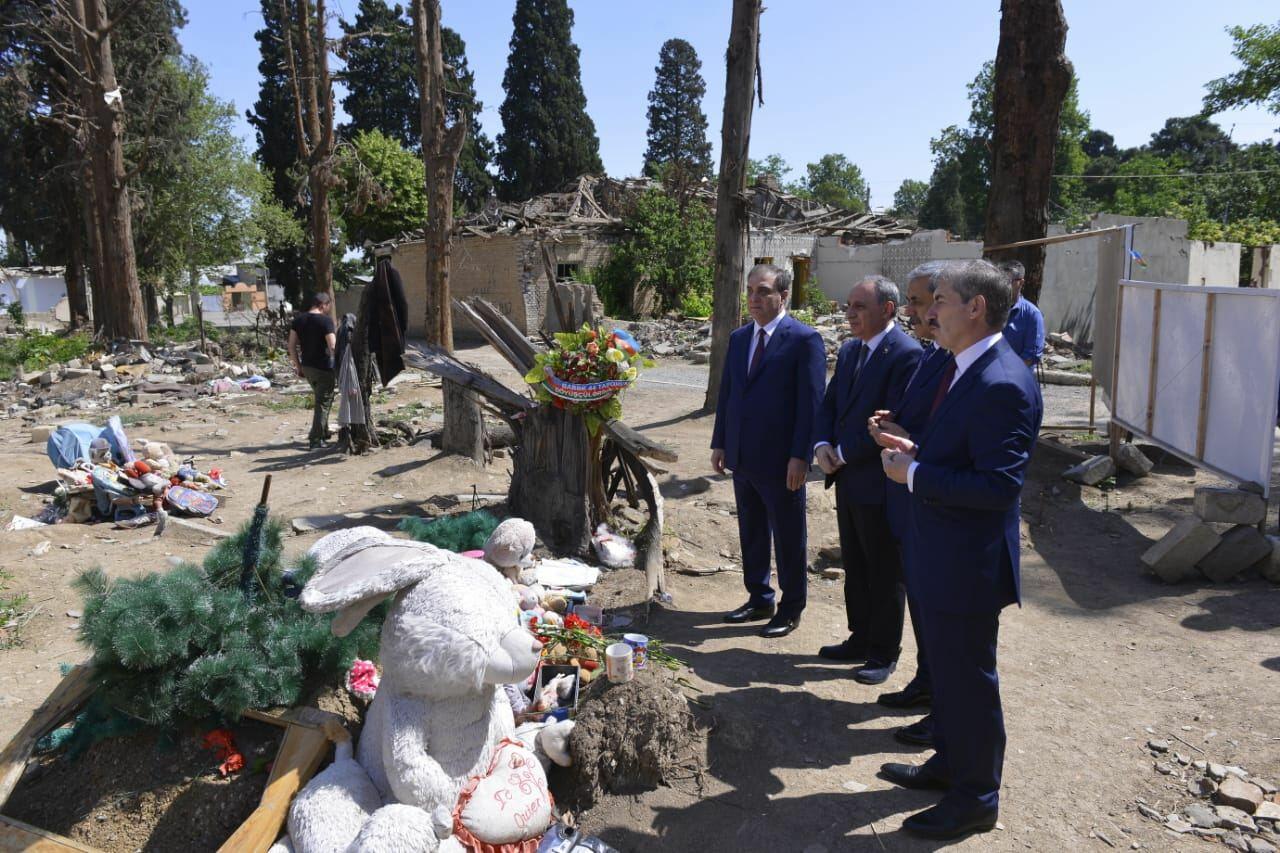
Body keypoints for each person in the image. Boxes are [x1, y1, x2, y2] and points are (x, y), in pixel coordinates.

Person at [877, 259, 1043, 840]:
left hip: (966, 567)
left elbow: (999, 487)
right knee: (948, 678)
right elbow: (964, 454)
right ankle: (951, 765)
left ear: (976, 308)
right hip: (941, 554)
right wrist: (914, 447)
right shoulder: (965, 367)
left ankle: (976, 798)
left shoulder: (1002, 382)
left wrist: (914, 473)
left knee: (970, 684)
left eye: (940, 300)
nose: (928, 312)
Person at [812, 276, 921, 684]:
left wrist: (840, 453)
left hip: (878, 480)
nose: (850, 313)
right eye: (849, 305)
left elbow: (890, 421)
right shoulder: (852, 349)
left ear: (888, 310)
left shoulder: (905, 354)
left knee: (884, 568)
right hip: (846, 478)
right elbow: (831, 403)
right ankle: (859, 636)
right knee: (856, 564)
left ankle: (883, 651)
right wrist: (822, 443)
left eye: (860, 306)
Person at [711, 264, 826, 639]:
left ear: (783, 296)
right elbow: (728, 394)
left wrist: (801, 456)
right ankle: (760, 597)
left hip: (782, 462)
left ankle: (791, 607)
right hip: (743, 456)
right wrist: (721, 442)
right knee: (752, 531)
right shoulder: (741, 338)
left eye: (763, 291)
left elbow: (811, 404)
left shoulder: (804, 340)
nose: (754, 299)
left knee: (789, 535)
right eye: (750, 291)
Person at [868, 262, 954, 744]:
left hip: (933, 505)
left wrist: (908, 440)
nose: (914, 312)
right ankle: (927, 684)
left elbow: (950, 440)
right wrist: (894, 425)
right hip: (913, 500)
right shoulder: (934, 356)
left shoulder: (959, 361)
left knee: (940, 620)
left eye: (922, 302)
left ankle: (943, 706)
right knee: (921, 606)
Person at [289, 292, 338, 450]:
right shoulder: (325, 321)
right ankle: (316, 440)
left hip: (308, 367)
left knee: (322, 400)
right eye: (328, 306)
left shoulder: (298, 320)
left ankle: (323, 433)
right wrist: (339, 365)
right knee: (323, 403)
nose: (329, 309)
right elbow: (333, 347)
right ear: (323, 304)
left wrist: (298, 367)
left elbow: (291, 346)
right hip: (324, 367)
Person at [998, 260, 1045, 367]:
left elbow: (1031, 356)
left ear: (1021, 283)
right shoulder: (991, 309)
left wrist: (1005, 372)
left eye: (1008, 281)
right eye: (1001, 281)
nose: (1003, 286)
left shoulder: (1032, 314)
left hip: (1015, 377)